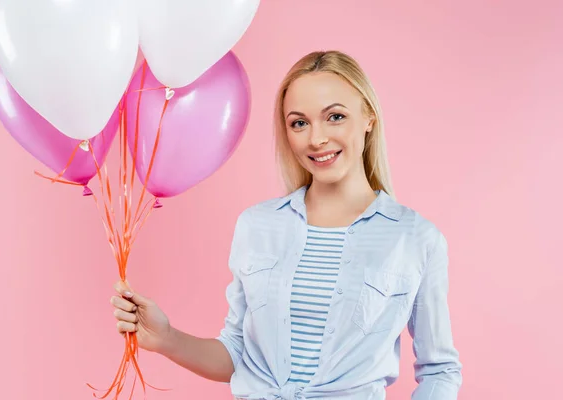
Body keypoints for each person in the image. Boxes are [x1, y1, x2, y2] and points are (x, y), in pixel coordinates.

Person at [111, 50, 462, 400]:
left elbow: (439, 370)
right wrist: (166, 338)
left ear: (368, 116)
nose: (316, 139)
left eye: (335, 117)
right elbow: (237, 355)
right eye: (299, 122)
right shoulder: (257, 225)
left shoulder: (415, 238)